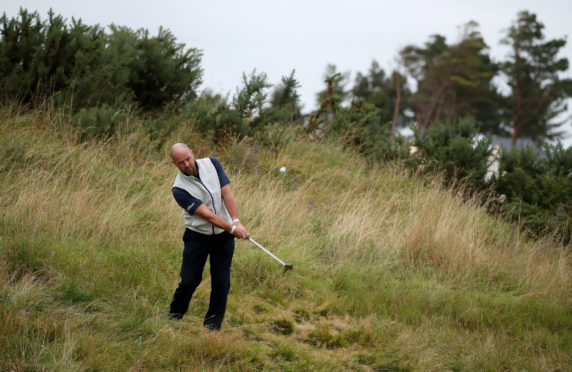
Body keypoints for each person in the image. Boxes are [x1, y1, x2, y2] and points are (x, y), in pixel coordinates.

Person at [168, 143, 248, 330]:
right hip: (198, 237)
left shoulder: (213, 163)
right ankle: (174, 317)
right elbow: (208, 216)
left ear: (192, 153)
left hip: (223, 237)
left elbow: (226, 192)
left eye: (188, 159)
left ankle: (212, 327)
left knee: (221, 281)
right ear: (175, 164)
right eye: (181, 163)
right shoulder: (179, 189)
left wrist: (236, 221)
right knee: (189, 281)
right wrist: (232, 229)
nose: (187, 164)